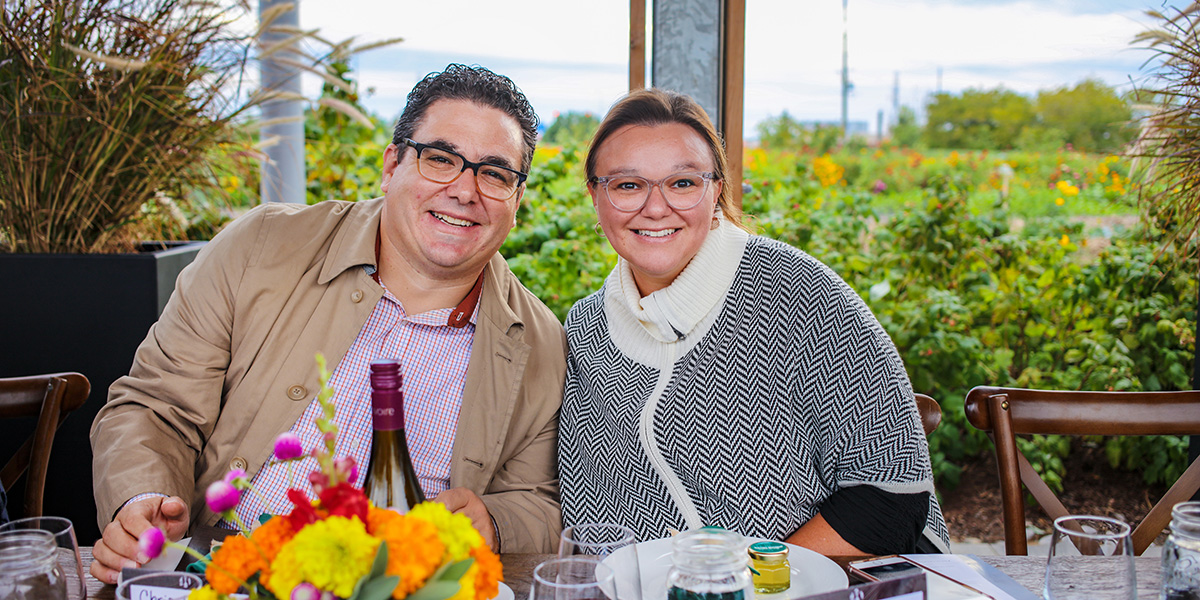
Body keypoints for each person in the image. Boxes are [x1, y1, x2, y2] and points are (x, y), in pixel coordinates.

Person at [90, 64, 567, 583]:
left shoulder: (541, 344)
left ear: (517, 199)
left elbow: (538, 500)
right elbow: (156, 407)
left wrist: (495, 522)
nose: (464, 189)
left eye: (495, 174)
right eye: (440, 159)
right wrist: (143, 500)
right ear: (391, 165)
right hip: (226, 576)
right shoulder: (262, 247)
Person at [558, 88, 949, 555]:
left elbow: (890, 498)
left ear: (716, 189)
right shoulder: (585, 328)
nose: (656, 207)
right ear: (595, 196)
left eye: (682, 183)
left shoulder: (800, 291)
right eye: (627, 185)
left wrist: (744, 582)